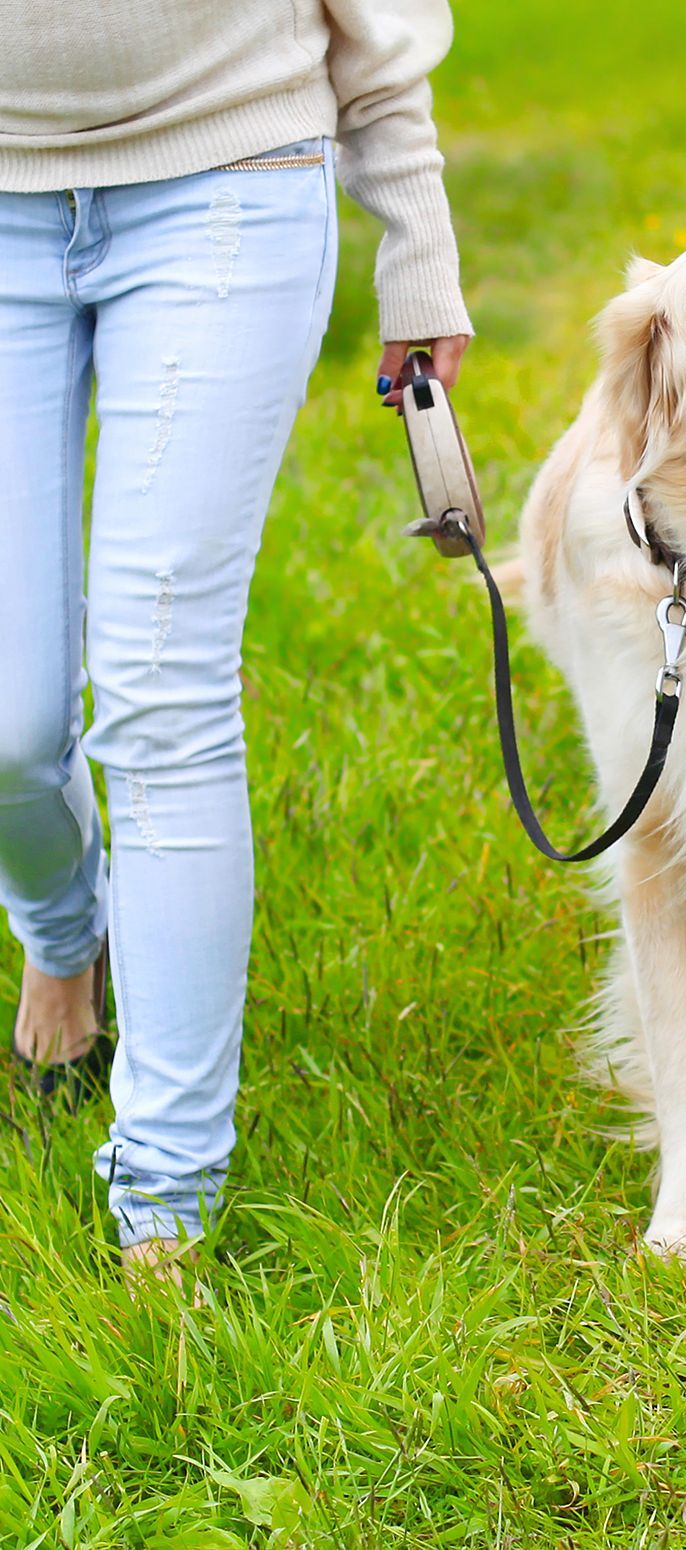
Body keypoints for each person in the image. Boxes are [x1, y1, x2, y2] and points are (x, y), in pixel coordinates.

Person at [0, 0, 471, 1285]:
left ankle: (165, 1197)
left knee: (163, 690)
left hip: (226, 169)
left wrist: (417, 243)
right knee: (11, 727)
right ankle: (65, 931)